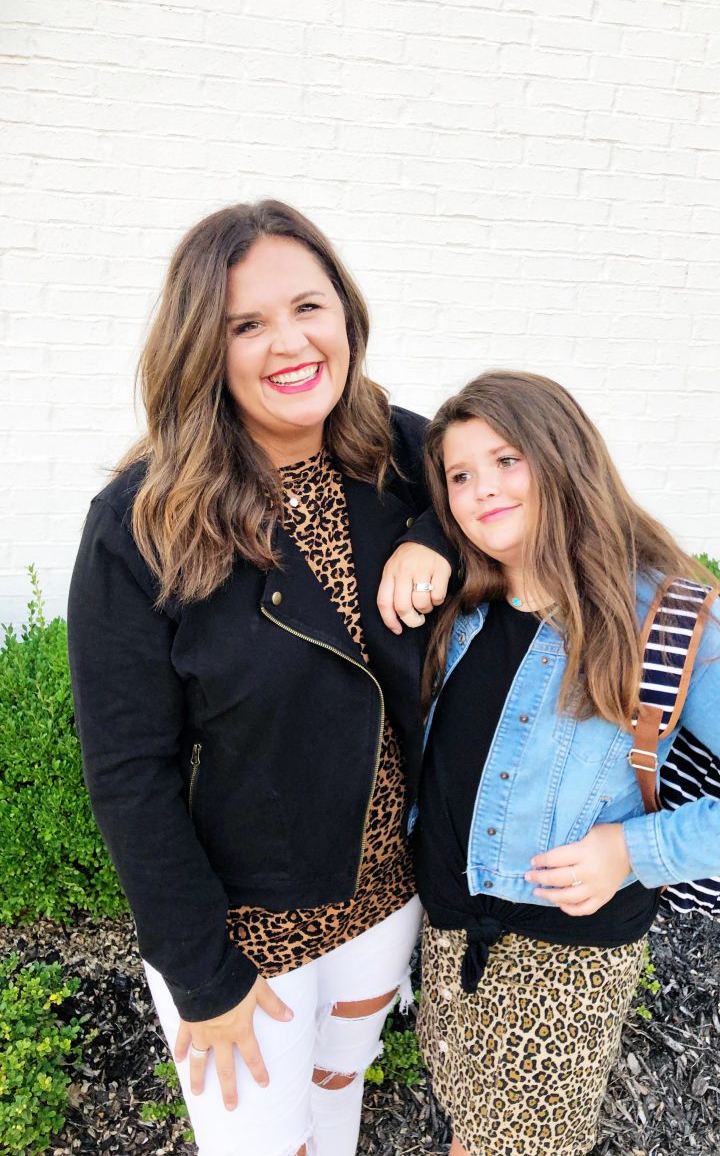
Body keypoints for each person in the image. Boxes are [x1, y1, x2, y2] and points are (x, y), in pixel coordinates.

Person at [66, 200, 453, 1156]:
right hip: (247, 933)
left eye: (309, 306)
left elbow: (510, 486)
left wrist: (433, 535)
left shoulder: (400, 455)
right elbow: (128, 770)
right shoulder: (142, 524)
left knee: (337, 1096)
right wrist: (202, 975)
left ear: (346, 316)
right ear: (206, 346)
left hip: (383, 897)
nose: (291, 341)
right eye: (248, 324)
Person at [412, 370, 720, 1156]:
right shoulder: (465, 602)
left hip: (560, 974)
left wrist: (632, 852)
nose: (482, 489)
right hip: (449, 943)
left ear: (562, 457)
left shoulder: (659, 614)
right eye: (459, 475)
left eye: (507, 459)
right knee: (468, 1131)